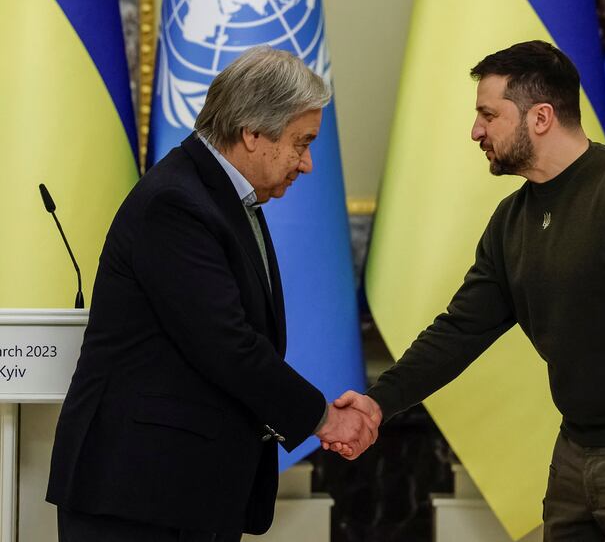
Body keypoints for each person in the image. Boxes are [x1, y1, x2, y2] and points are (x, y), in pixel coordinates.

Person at [330, 40, 605, 541]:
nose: (476, 131)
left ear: (540, 117)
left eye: (488, 115)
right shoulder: (512, 220)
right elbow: (460, 330)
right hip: (574, 451)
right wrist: (379, 403)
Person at [47, 46, 376, 542]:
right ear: (252, 133)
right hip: (137, 499)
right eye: (301, 142)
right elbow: (227, 345)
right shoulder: (175, 204)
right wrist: (324, 418)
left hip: (182, 493)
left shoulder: (220, 196)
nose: (307, 164)